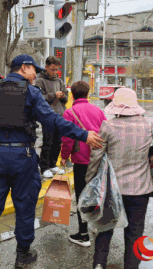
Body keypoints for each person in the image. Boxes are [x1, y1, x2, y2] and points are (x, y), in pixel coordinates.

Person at [0, 54, 105, 269]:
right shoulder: (31, 92)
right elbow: (52, 120)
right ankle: (23, 255)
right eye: (33, 69)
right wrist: (83, 135)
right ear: (24, 68)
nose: (36, 74)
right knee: (25, 207)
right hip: (22, 157)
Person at [86, 88, 153, 269]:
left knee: (105, 227)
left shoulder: (108, 126)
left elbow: (96, 156)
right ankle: (131, 266)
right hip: (141, 188)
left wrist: (90, 181)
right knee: (135, 230)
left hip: (112, 187)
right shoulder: (151, 124)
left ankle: (99, 264)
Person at [59, 81, 107, 248]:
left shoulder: (69, 112)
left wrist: (64, 156)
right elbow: (105, 133)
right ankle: (96, 226)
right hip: (98, 159)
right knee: (96, 193)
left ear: (72, 95)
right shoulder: (98, 111)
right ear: (88, 94)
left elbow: (67, 138)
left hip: (81, 160)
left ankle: (83, 234)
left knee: (82, 196)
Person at [35, 56, 68, 178]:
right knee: (47, 142)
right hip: (47, 116)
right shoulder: (40, 81)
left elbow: (66, 96)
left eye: (56, 70)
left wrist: (63, 96)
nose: (54, 72)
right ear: (46, 67)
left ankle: (53, 164)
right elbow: (38, 98)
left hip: (60, 114)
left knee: (58, 141)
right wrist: (53, 95)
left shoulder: (59, 81)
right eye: (52, 69)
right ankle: (44, 167)